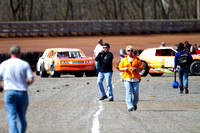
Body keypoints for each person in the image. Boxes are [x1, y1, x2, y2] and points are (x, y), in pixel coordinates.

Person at [0, 45, 34, 133]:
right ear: (20, 53)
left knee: (11, 118)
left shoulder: (4, 64)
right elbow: (31, 79)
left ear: (9, 53)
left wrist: (0, 87)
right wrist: (26, 84)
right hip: (22, 93)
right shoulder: (24, 64)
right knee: (22, 118)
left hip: (9, 92)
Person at [117, 45, 144, 111]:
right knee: (128, 91)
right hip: (127, 77)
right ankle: (130, 106)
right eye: (128, 50)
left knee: (136, 93)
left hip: (135, 78)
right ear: (126, 51)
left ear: (133, 51)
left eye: (131, 50)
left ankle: (134, 103)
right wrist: (124, 69)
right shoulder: (123, 60)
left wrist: (135, 68)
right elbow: (119, 68)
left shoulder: (137, 59)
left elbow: (141, 68)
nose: (130, 52)